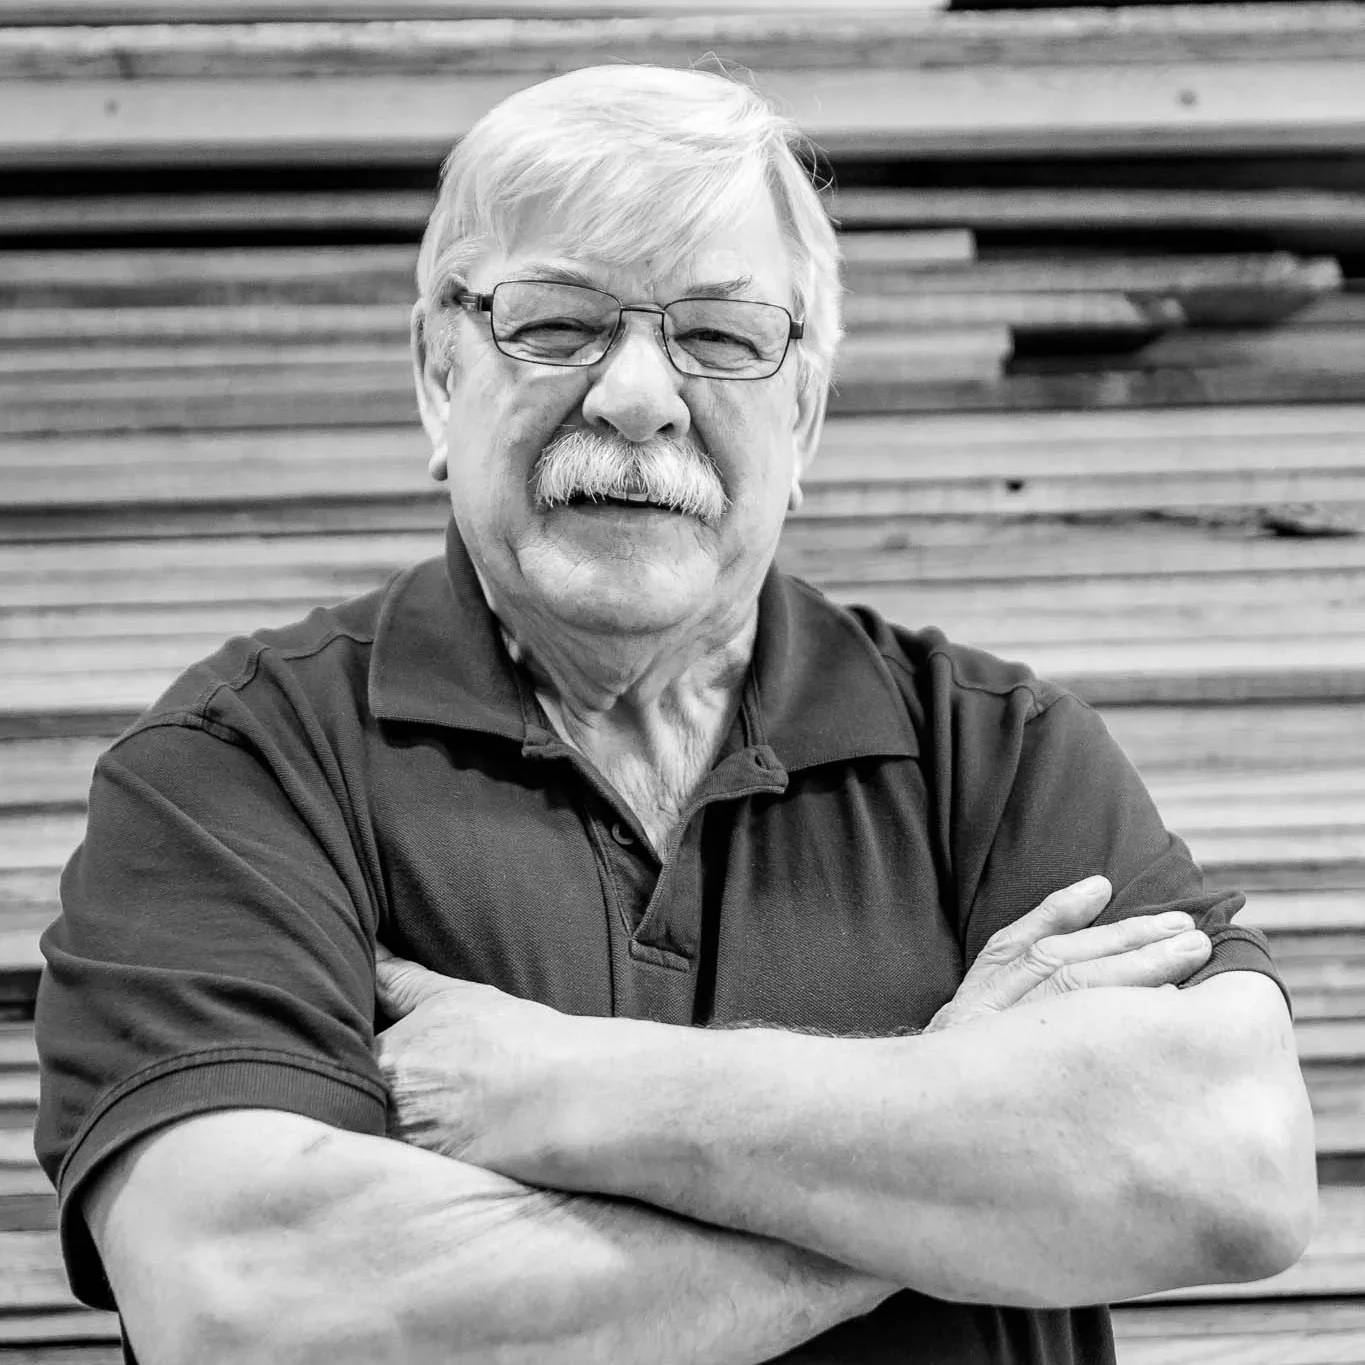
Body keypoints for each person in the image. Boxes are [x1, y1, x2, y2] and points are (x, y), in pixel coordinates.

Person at [35, 64, 1315, 1365]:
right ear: (438, 373)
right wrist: (954, 1149)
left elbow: (1233, 1169)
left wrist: (572, 1088)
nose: (638, 397)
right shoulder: (241, 767)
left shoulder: (998, 754)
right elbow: (252, 1300)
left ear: (803, 409)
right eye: (556, 323)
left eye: (720, 334)